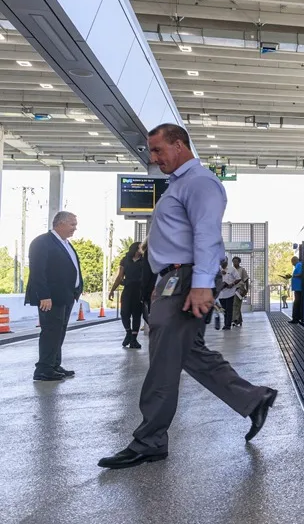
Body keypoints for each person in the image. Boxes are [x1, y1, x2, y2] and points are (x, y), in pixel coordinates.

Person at [98, 123, 277, 470]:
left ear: (179, 146)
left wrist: (199, 283)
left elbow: (207, 234)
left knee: (164, 360)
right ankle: (254, 399)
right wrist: (162, 279)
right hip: (175, 278)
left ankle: (149, 440)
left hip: (186, 278)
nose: (153, 158)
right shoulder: (178, 185)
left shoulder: (200, 182)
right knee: (189, 353)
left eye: (157, 150)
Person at [25, 211, 83, 382]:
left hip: (66, 296)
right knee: (51, 331)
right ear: (60, 224)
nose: (75, 228)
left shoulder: (65, 243)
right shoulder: (42, 242)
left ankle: (54, 364)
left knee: (59, 331)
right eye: (72, 224)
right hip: (51, 298)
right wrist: (44, 295)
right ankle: (43, 369)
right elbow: (38, 271)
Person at [108, 242, 145, 349]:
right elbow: (120, 276)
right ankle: (128, 332)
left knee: (137, 315)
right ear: (135, 249)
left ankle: (134, 339)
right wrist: (112, 290)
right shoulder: (125, 260)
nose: (142, 250)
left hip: (139, 290)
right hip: (128, 289)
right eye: (140, 248)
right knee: (124, 313)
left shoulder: (144, 261)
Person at [218, 258, 238, 330]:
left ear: (227, 262)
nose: (223, 263)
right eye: (221, 262)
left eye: (224, 262)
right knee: (223, 310)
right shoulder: (217, 270)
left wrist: (232, 284)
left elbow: (238, 278)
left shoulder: (232, 269)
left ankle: (227, 325)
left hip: (230, 293)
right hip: (220, 294)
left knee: (229, 309)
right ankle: (225, 323)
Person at [139, 240, 154, 333]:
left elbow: (146, 275)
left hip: (151, 289)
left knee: (148, 314)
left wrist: (143, 293)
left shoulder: (148, 254)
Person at [232, 256, 249, 326]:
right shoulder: (231, 270)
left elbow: (246, 280)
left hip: (240, 289)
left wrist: (247, 290)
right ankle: (239, 320)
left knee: (236, 304)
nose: (234, 263)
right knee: (235, 305)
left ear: (239, 262)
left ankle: (235, 320)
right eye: (233, 261)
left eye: (236, 261)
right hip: (232, 289)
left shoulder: (242, 270)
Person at [289, 256, 303, 324]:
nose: (292, 264)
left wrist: (293, 276)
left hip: (299, 288)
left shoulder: (299, 265)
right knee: (297, 303)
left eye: (292, 262)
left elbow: (301, 274)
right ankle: (296, 318)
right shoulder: (299, 265)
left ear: (295, 261)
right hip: (298, 288)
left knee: (296, 303)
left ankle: (295, 319)